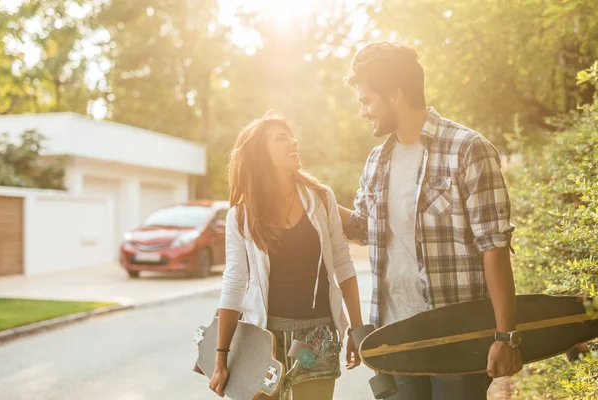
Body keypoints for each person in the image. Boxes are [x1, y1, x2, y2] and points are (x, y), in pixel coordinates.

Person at [337, 42, 523, 399]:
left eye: (366, 101)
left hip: (456, 334)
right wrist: (315, 194)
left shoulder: (468, 149)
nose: (363, 112)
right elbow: (362, 230)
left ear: (395, 94)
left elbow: (494, 248)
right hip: (395, 336)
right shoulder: (377, 161)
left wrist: (505, 336)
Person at [209, 112, 364, 400]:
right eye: (282, 138)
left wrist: (356, 328)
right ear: (260, 154)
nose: (294, 142)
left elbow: (343, 265)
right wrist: (222, 357)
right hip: (266, 340)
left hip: (317, 339)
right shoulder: (241, 217)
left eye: (292, 136)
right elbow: (233, 285)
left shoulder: (321, 198)